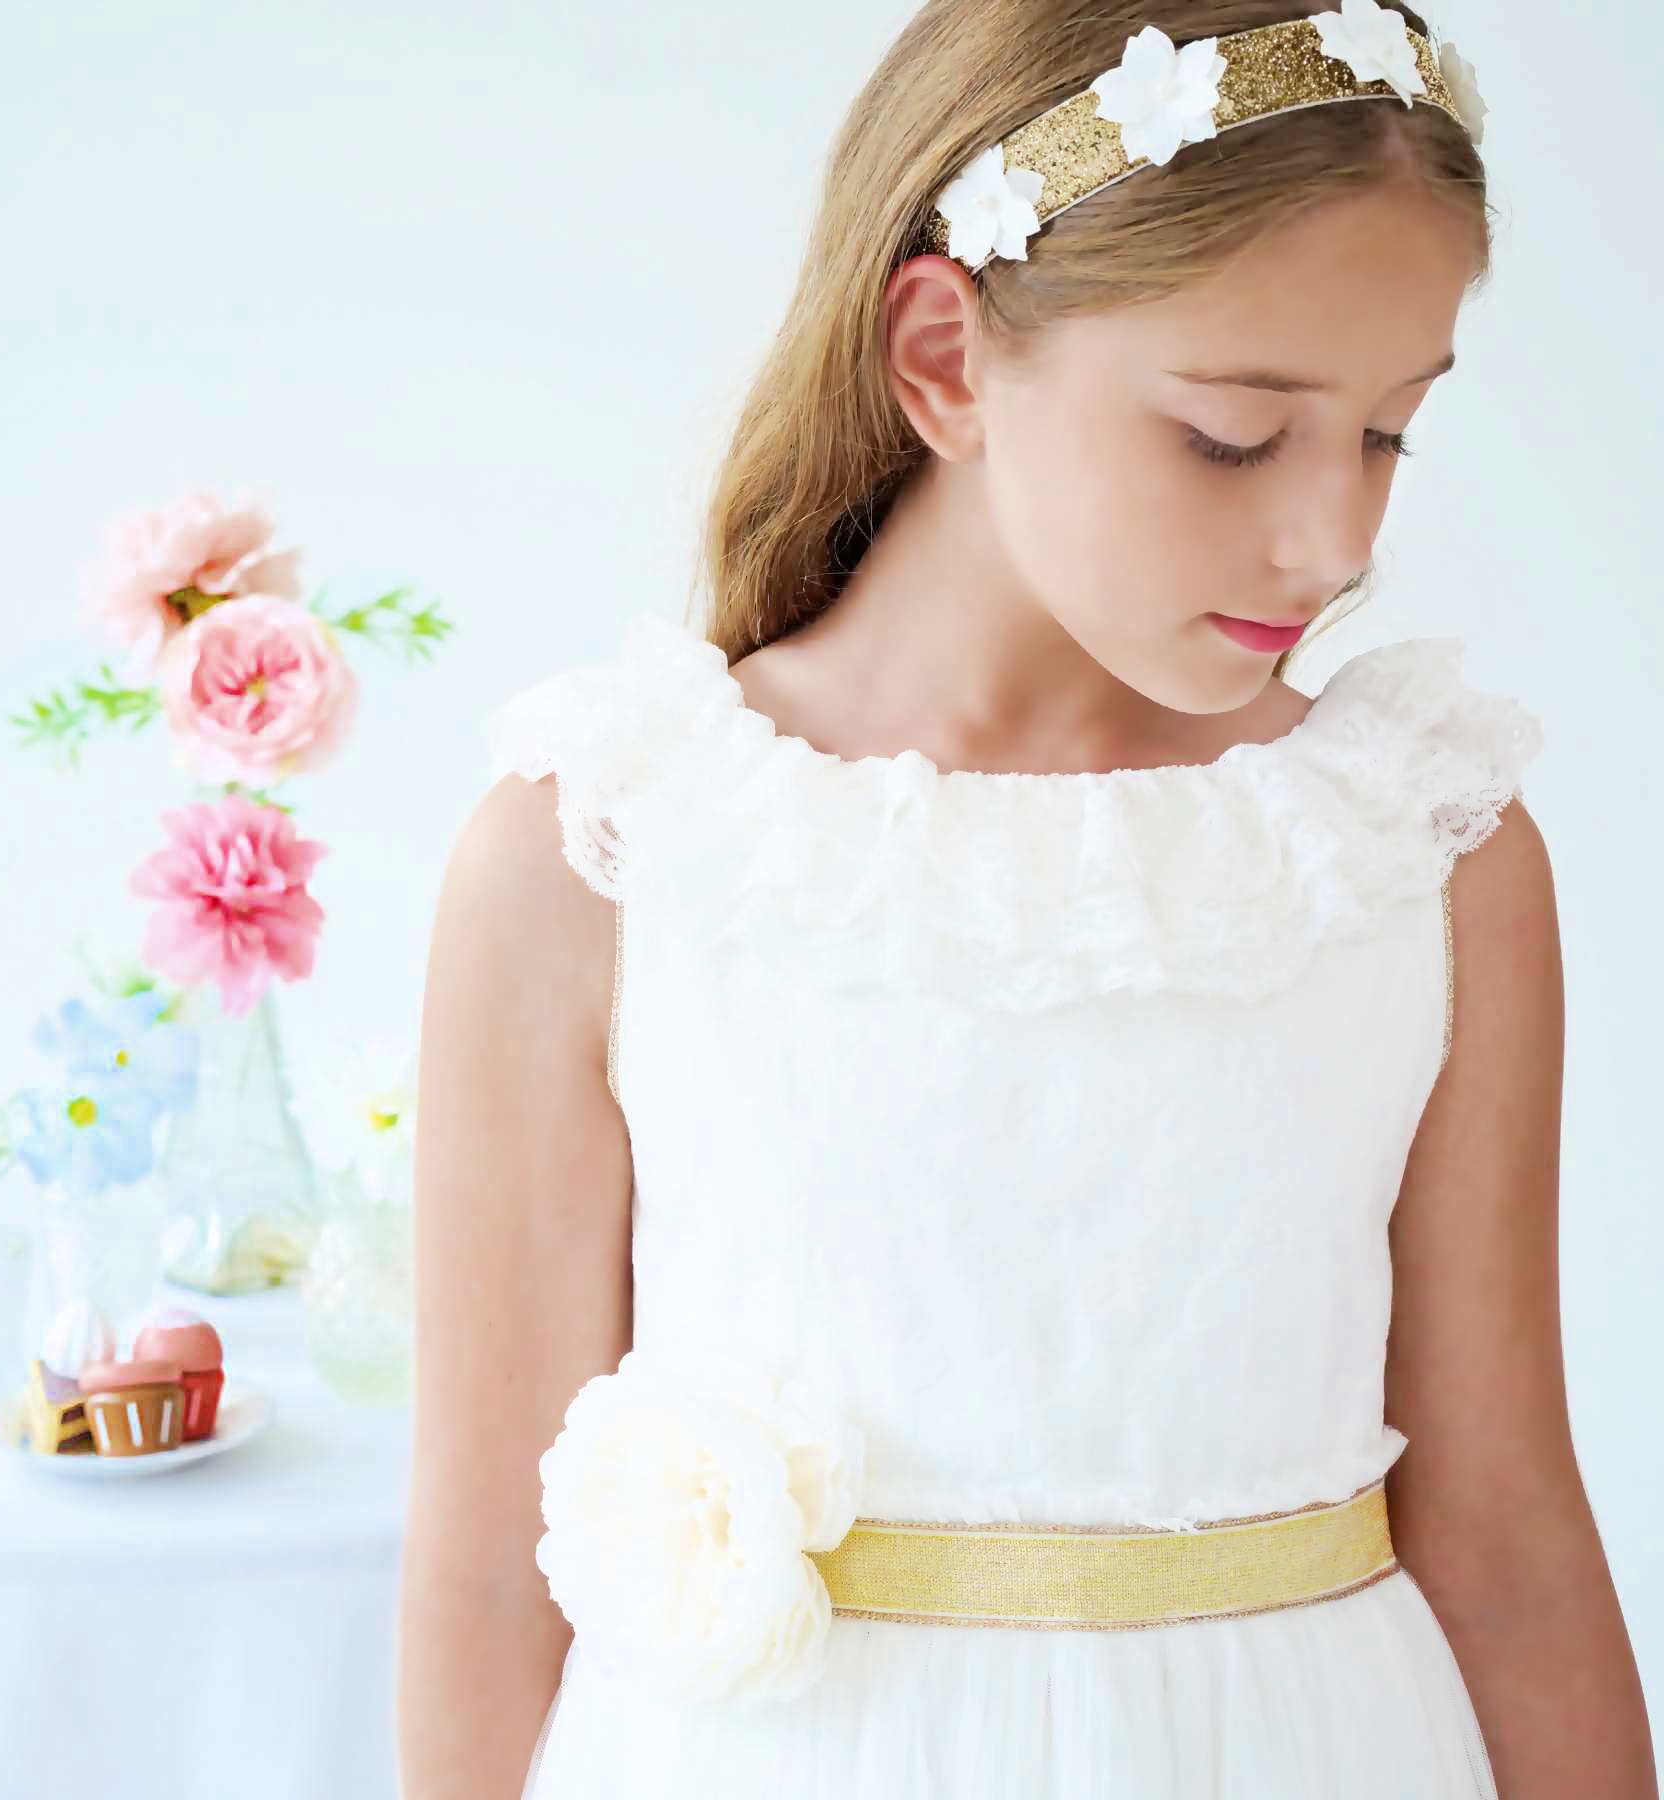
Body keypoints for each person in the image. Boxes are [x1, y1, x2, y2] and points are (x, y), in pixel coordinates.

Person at [396, 4, 1657, 1797]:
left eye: (1389, 434)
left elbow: (1512, 1528)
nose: (1337, 541)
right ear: (945, 358)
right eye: (1236, 435)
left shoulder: (1420, 850)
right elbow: (477, 1574)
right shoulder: (612, 851)